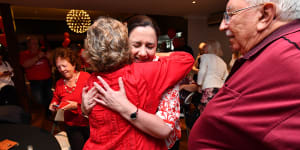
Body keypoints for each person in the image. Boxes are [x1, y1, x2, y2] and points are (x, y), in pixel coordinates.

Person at [189, 0, 300, 149]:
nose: (222, 26)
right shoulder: (271, 51)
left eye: (230, 15)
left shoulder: (289, 56)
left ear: (265, 15)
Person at [81, 17, 194, 150]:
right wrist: (84, 109)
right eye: (136, 45)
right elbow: (186, 59)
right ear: (125, 45)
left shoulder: (92, 80)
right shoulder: (144, 72)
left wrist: (125, 107)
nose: (142, 53)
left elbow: (164, 130)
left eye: (150, 46)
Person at [49, 48, 90, 150]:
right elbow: (56, 98)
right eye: (59, 67)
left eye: (64, 65)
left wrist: (76, 106)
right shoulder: (59, 83)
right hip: (71, 125)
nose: (62, 69)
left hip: (90, 123)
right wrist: (53, 104)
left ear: (73, 64)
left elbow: (95, 101)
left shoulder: (86, 77)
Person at [19, 36, 52, 113]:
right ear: (28, 45)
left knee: (50, 98)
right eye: (33, 43)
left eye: (37, 43)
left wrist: (50, 58)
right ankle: (42, 113)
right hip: (35, 81)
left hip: (48, 79)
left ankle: (48, 114)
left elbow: (52, 64)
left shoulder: (43, 52)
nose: (36, 45)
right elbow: (25, 65)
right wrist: (38, 57)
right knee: (38, 100)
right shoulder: (24, 54)